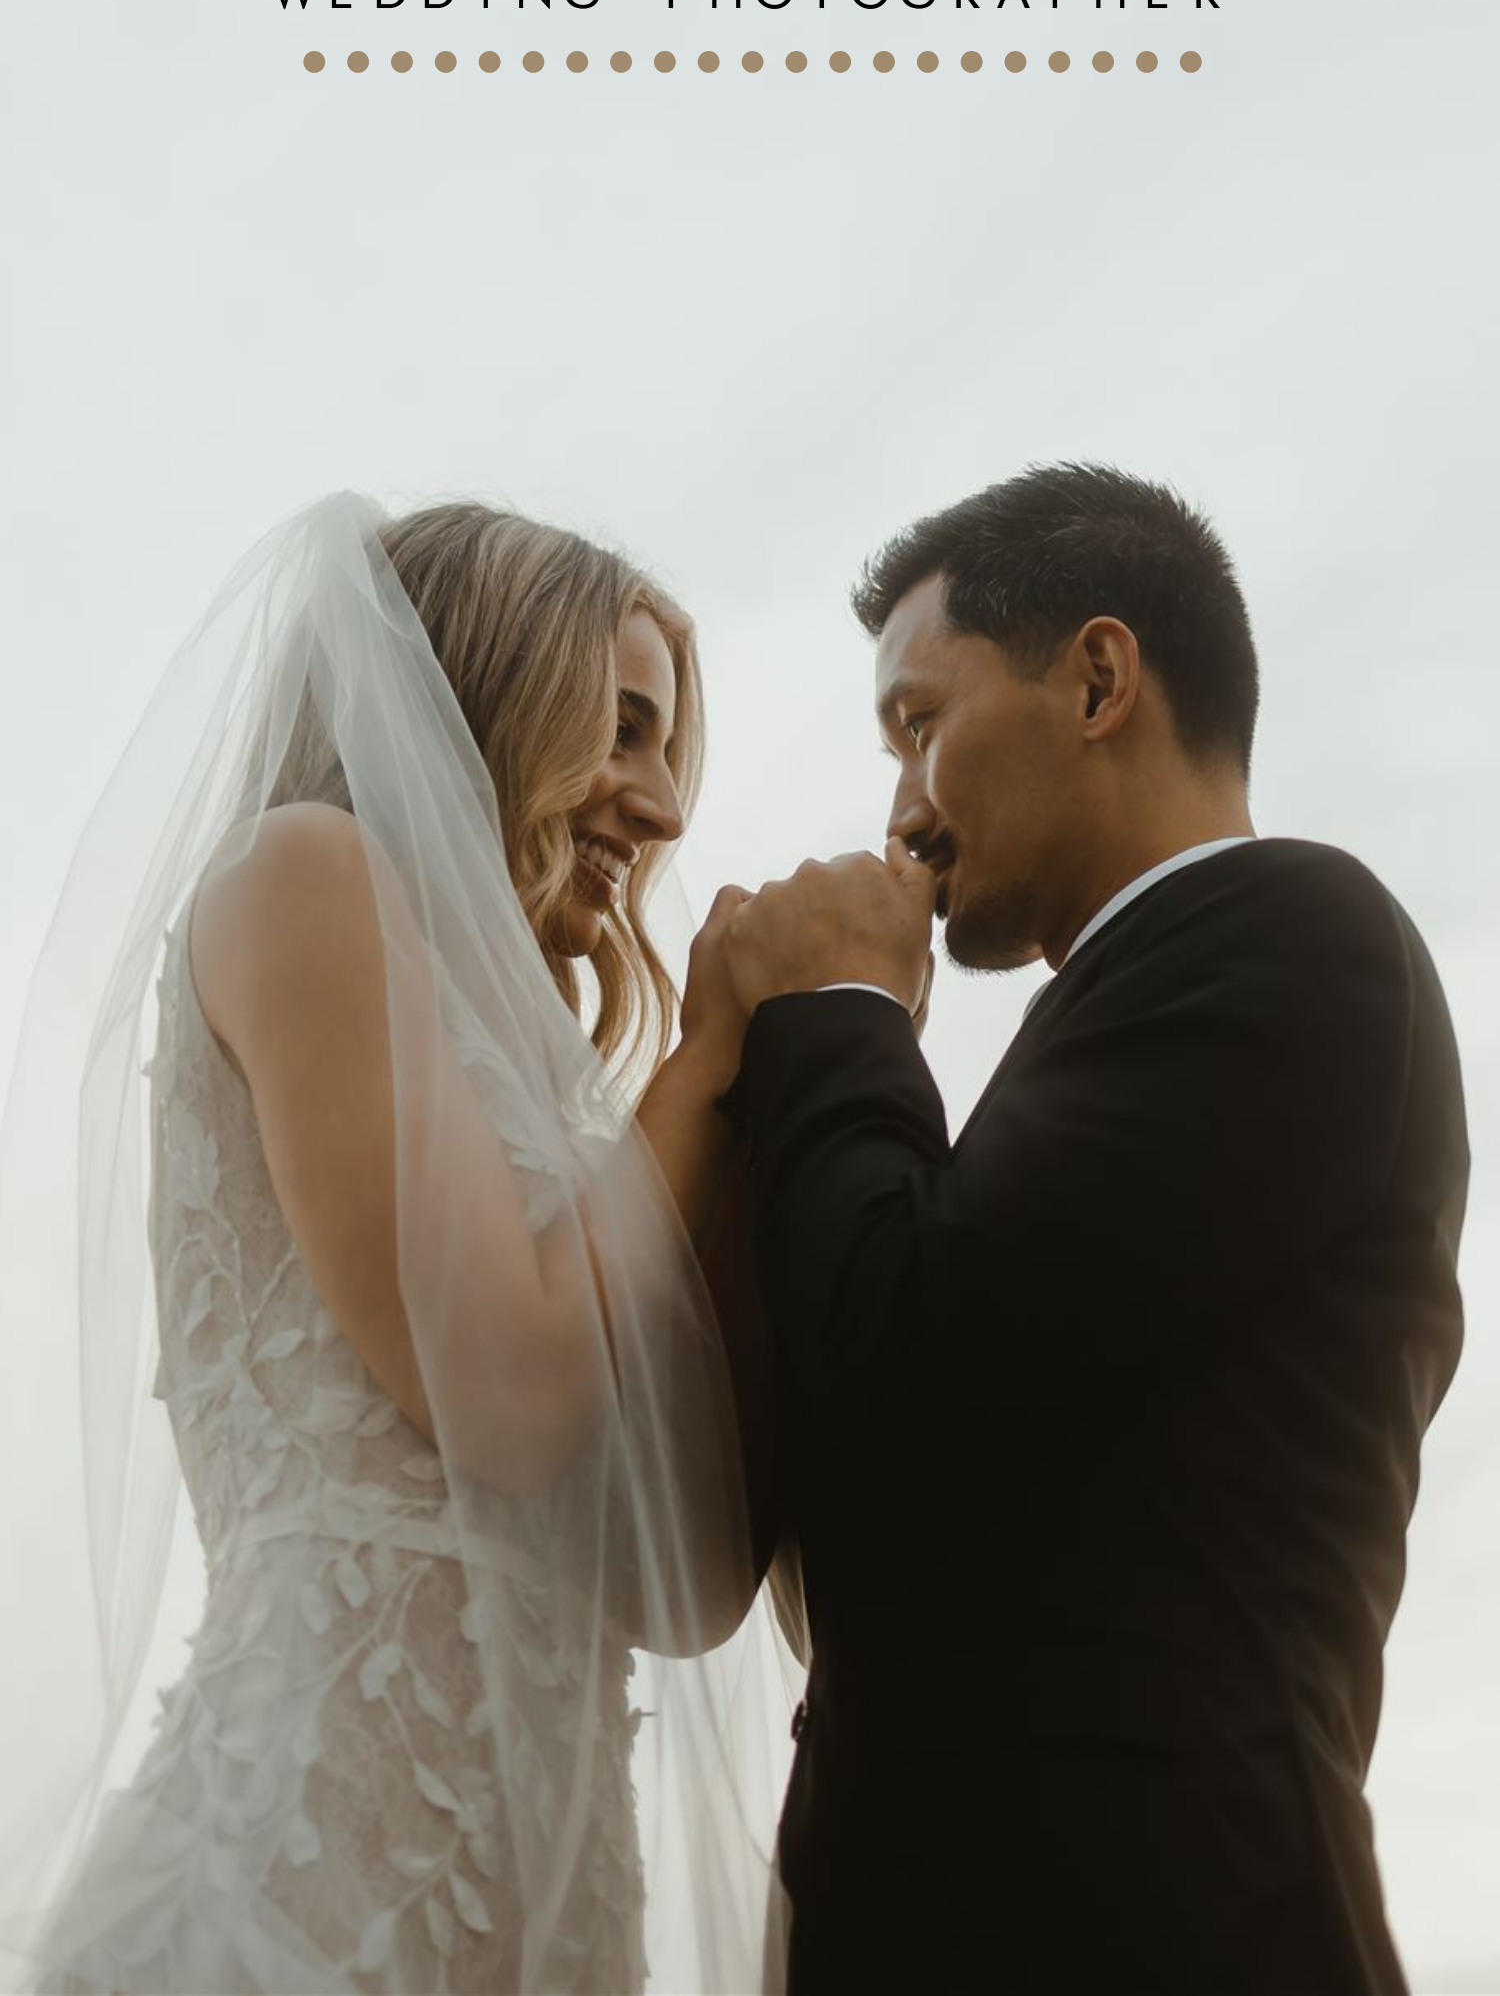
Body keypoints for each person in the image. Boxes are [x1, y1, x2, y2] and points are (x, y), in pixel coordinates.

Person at [0, 495, 780, 1995]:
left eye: (665, 750)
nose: (662, 807)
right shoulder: (303, 870)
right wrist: (703, 1057)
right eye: (622, 728)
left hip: (541, 1918)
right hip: (305, 1874)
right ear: (488, 686)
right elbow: (506, 1392)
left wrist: (765, 1105)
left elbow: (681, 1591)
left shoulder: (540, 1086)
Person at [705, 462, 1469, 1994]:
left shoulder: (1290, 934)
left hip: (1161, 1928)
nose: (901, 808)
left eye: (920, 723)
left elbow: (903, 1354)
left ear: (1100, 679)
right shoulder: (1117, 1011)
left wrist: (841, 1005)